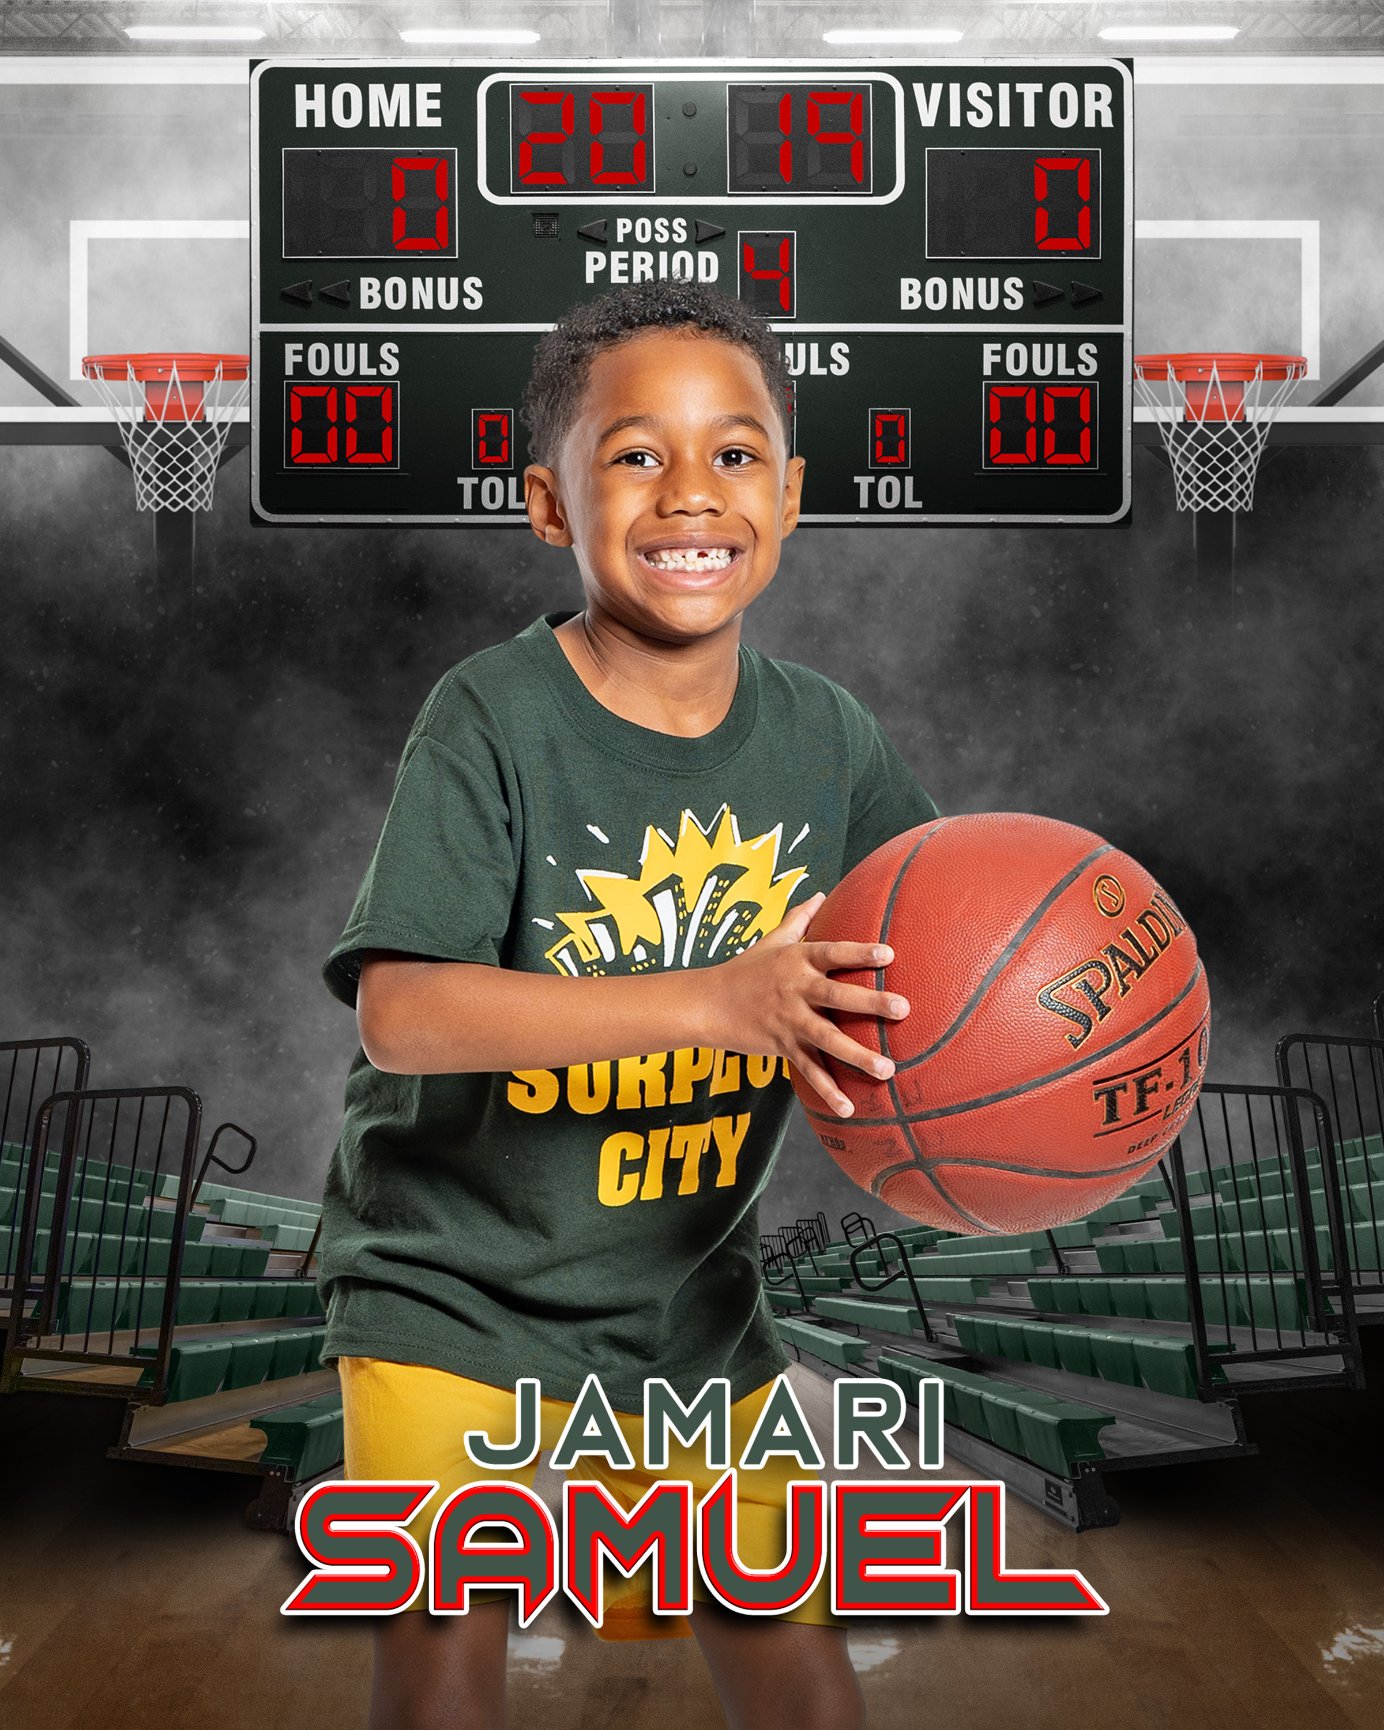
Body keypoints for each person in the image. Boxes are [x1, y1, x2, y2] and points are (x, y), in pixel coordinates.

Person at [317, 279, 939, 1730]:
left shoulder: (830, 737)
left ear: (790, 496)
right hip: (449, 1279)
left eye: (732, 453)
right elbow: (404, 1013)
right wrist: (716, 1001)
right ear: (550, 503)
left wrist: (1048, 1058)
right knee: (439, 1657)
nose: (690, 494)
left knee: (798, 1660)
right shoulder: (493, 711)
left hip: (685, 1293)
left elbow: (938, 959)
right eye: (634, 454)